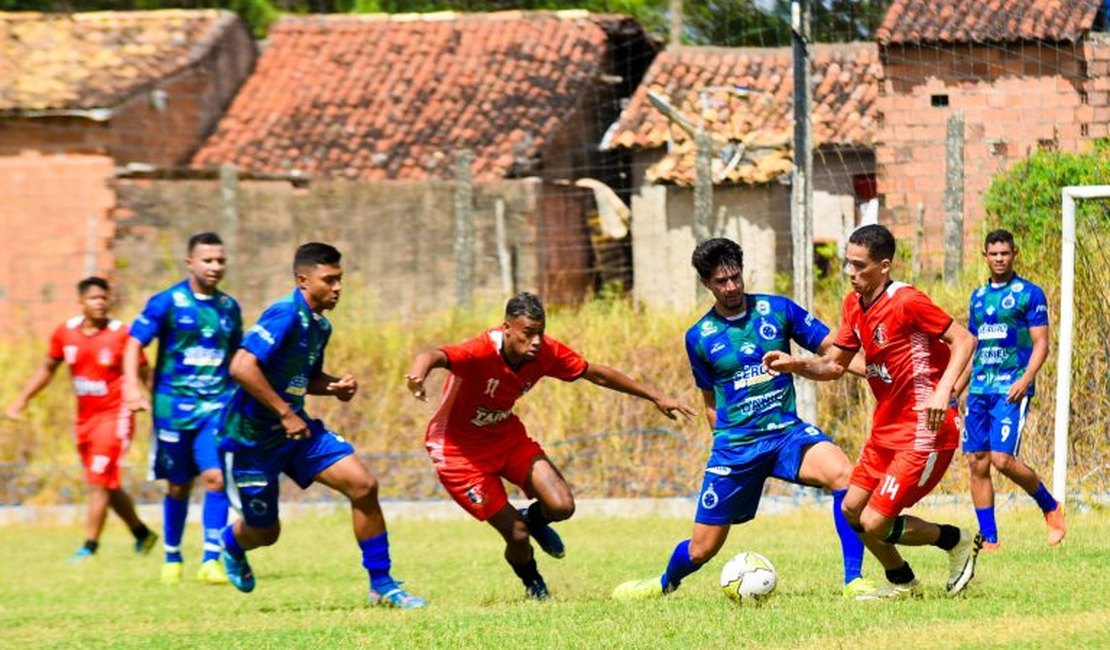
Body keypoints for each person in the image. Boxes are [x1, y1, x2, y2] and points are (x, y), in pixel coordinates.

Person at [611, 238, 875, 601]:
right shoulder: (699, 337)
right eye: (721, 281)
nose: (732, 287)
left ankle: (854, 581)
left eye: (735, 277)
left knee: (844, 474)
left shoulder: (778, 309)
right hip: (736, 448)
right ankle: (662, 584)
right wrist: (722, 442)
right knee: (701, 550)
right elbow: (709, 399)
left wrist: (878, 372)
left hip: (786, 434)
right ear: (706, 283)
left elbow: (836, 352)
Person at [405, 291, 695, 601]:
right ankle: (534, 584)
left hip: (505, 436)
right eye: (528, 334)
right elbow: (434, 355)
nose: (536, 342)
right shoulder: (480, 351)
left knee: (561, 505)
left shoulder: (544, 353)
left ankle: (532, 520)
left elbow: (595, 373)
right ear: (507, 328)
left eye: (540, 333)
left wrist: (655, 396)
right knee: (516, 535)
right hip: (457, 453)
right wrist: (418, 375)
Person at [764, 224, 982, 600]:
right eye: (848, 264)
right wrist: (795, 364)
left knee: (875, 521)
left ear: (884, 266)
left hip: (925, 430)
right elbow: (835, 366)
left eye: (859, 266)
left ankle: (956, 541)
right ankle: (902, 581)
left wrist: (943, 390)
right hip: (886, 430)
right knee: (851, 509)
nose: (851, 273)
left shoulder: (907, 301)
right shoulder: (854, 304)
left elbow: (965, 339)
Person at [216, 242, 425, 609]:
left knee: (364, 485)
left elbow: (302, 377)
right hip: (252, 441)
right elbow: (241, 366)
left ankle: (383, 584)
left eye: (340, 279)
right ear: (302, 280)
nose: (338, 288)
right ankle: (231, 544)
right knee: (266, 534)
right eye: (329, 280)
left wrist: (332, 386)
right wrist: (284, 412)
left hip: (298, 434)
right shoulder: (283, 314)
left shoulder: (319, 326)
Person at [6, 277, 158, 561]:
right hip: (85, 420)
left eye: (105, 298)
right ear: (81, 303)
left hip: (116, 417)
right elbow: (48, 368)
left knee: (98, 481)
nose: (100, 303)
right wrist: (21, 399)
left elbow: (146, 373)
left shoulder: (121, 335)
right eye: (94, 298)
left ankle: (89, 546)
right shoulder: (66, 333)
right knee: (104, 481)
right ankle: (141, 533)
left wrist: (159, 406)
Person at [124, 232, 242, 585]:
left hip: (216, 408)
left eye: (220, 260)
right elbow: (133, 344)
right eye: (208, 260)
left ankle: (211, 559)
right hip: (173, 409)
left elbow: (237, 358)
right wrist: (132, 387)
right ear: (190, 262)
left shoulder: (228, 308)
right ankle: (172, 555)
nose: (215, 266)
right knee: (178, 486)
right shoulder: (168, 302)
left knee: (216, 478)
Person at [957, 229, 1065, 550]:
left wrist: (1025, 379)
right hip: (979, 389)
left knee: (1002, 460)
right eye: (994, 254)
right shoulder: (977, 297)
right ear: (985, 256)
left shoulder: (1029, 294)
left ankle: (1050, 506)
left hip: (1010, 387)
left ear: (1014, 254)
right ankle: (990, 539)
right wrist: (956, 388)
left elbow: (1041, 344)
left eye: (1005, 253)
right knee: (978, 461)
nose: (1000, 259)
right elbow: (971, 345)